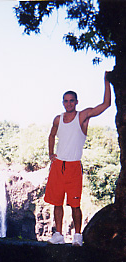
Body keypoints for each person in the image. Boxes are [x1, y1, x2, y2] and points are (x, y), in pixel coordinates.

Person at [44, 71, 111, 246]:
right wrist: (51, 154)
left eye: (71, 100)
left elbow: (106, 104)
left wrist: (106, 82)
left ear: (76, 102)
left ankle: (78, 236)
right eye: (65, 101)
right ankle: (58, 234)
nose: (68, 103)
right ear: (63, 102)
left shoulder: (82, 116)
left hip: (74, 167)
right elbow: (51, 136)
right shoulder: (58, 119)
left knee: (75, 204)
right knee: (56, 202)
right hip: (58, 166)